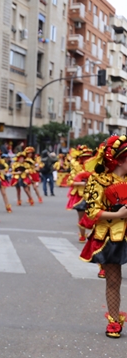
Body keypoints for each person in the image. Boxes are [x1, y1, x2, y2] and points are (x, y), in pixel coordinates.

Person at [79, 135, 127, 337]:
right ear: (122, 159)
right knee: (113, 280)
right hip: (111, 235)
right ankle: (114, 320)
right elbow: (91, 211)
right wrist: (117, 214)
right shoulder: (98, 180)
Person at [66, 146, 94, 242]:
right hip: (80, 195)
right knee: (81, 216)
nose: (87, 159)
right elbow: (70, 182)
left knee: (95, 215)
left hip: (93, 193)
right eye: (84, 157)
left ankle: (92, 234)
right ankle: (82, 235)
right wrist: (81, 183)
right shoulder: (76, 169)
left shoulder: (96, 168)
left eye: (88, 157)